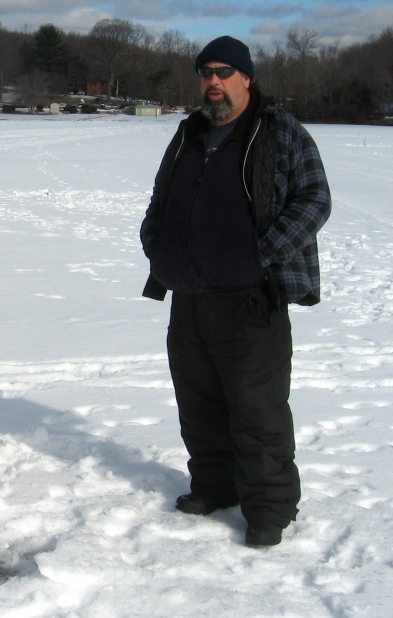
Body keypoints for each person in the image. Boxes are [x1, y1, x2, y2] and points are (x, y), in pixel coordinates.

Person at [140, 36, 331, 547]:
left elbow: (314, 200)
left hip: (251, 300)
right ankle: (214, 486)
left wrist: (260, 254)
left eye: (225, 72)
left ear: (247, 78)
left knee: (257, 411)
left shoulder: (279, 131)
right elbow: (161, 198)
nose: (214, 81)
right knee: (199, 406)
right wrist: (157, 248)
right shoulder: (189, 133)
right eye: (206, 72)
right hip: (190, 300)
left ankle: (269, 508)